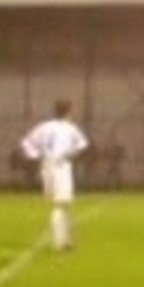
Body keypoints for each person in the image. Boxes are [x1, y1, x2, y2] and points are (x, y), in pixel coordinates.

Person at [21, 99, 89, 252]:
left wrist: (36, 156)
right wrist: (69, 154)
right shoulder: (70, 128)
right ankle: (59, 242)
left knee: (62, 204)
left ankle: (66, 239)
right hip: (61, 166)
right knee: (61, 204)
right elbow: (83, 144)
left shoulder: (44, 126)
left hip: (46, 166)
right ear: (69, 111)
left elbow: (26, 143)